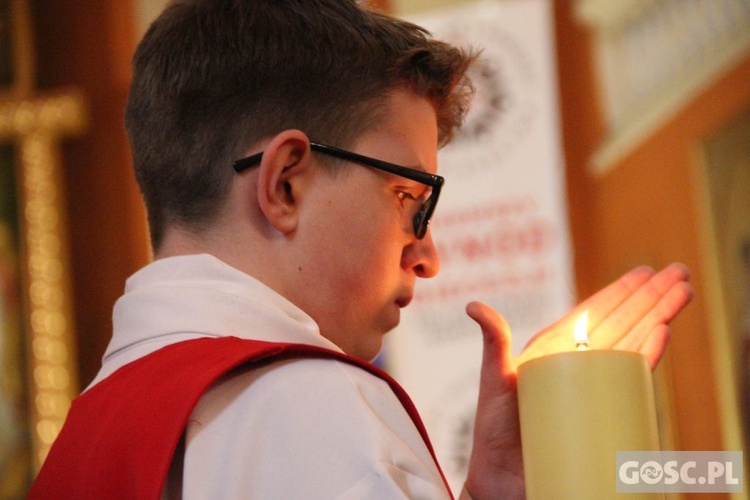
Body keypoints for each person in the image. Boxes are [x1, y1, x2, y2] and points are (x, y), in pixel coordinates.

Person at [29, 0, 694, 498]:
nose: (428, 256)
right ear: (286, 182)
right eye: (409, 199)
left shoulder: (85, 437)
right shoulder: (313, 407)